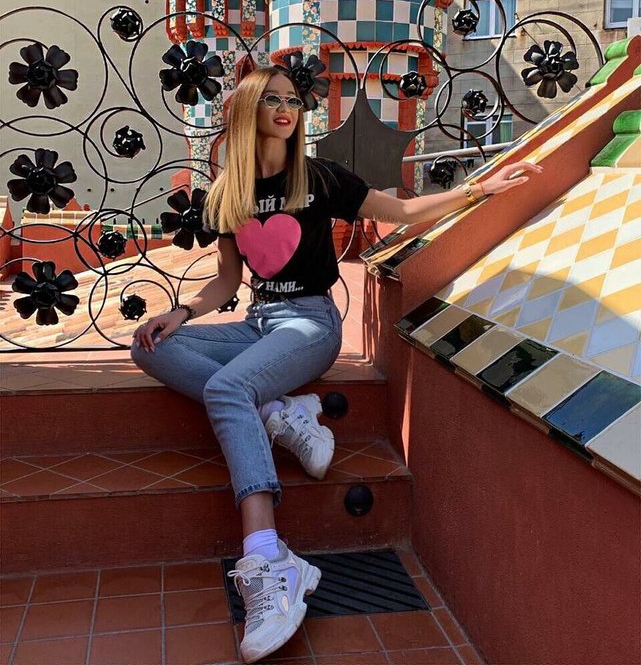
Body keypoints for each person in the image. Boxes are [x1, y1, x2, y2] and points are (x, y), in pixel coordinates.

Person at [130, 66, 541, 663]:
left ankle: (269, 557)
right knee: (150, 346)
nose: (285, 108)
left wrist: (481, 189)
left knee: (227, 390)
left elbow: (401, 210)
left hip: (310, 325)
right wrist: (181, 312)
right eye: (271, 99)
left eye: (292, 100)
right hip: (258, 323)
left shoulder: (318, 177)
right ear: (246, 112)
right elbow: (226, 282)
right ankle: (278, 412)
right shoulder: (226, 194)